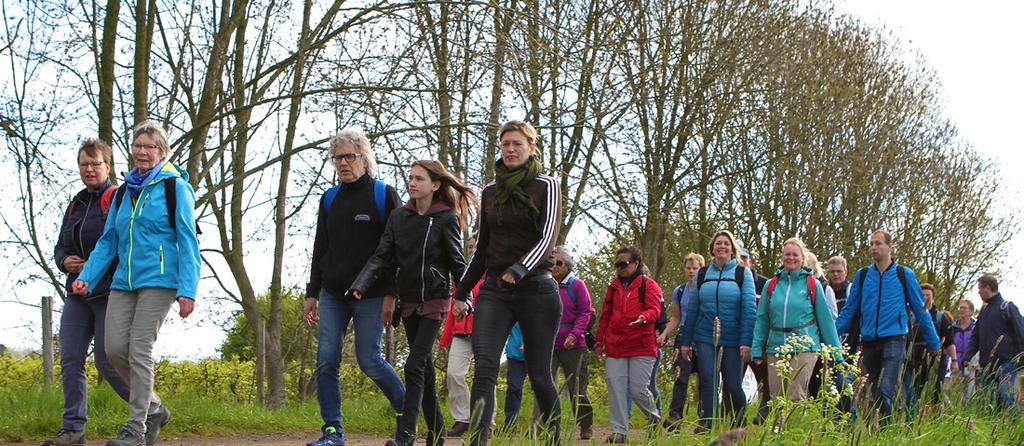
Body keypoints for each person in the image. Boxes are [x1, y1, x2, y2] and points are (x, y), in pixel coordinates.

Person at [72, 121, 200, 446]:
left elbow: (187, 239)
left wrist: (188, 289)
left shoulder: (175, 188)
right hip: (123, 281)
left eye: (149, 146)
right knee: (113, 349)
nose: (142, 151)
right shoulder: (124, 191)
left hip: (160, 280)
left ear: (162, 151)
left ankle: (136, 427)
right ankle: (154, 406)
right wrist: (86, 277)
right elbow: (108, 241)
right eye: (137, 146)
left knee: (139, 349)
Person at [349, 160, 476, 446]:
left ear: (435, 185)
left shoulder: (446, 218)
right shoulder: (398, 217)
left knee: (414, 364)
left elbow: (458, 261)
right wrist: (361, 284)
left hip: (435, 299)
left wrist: (462, 295)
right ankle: (437, 432)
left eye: (419, 178)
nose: (412, 183)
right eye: (410, 178)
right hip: (408, 300)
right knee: (425, 370)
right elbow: (382, 256)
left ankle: (405, 435)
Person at [451, 120, 562, 446]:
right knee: (484, 367)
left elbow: (548, 237)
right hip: (495, 292)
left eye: (517, 144)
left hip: (537, 290)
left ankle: (555, 436)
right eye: (505, 144)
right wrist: (461, 292)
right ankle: (479, 440)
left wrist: (520, 268)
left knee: (540, 375)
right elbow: (482, 247)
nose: (510, 150)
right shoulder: (490, 192)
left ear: (531, 148)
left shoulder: (547, 185)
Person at [303, 129, 406, 446]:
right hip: (333, 293)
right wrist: (312, 292)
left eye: (350, 156)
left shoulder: (383, 194)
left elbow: (398, 250)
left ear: (365, 158)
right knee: (326, 360)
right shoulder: (329, 199)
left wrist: (392, 293)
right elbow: (321, 247)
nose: (344, 163)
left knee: (370, 360)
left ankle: (411, 414)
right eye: (338, 157)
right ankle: (332, 432)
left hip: (372, 294)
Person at [46, 139, 131, 446]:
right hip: (77, 294)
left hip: (109, 292)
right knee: (69, 359)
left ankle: (149, 410)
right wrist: (64, 261)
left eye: (96, 164)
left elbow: (124, 243)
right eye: (84, 164)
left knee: (108, 361)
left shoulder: (119, 198)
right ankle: (73, 430)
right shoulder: (76, 204)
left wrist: (96, 267)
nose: (90, 169)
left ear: (108, 166)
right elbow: (60, 246)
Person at [834, 229, 939, 425]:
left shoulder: (903, 275)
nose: (873, 247)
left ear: (889, 247)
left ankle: (885, 430)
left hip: (894, 339)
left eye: (878, 243)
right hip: (869, 342)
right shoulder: (863, 276)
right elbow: (848, 311)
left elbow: (920, 310)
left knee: (886, 389)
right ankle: (882, 430)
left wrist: (933, 342)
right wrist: (829, 336)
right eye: (871, 243)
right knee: (874, 391)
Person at [751, 239, 842, 413]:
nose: (791, 258)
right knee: (776, 397)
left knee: (796, 394)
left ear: (802, 259)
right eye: (787, 254)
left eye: (795, 255)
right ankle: (778, 436)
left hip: (805, 346)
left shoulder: (812, 284)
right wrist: (756, 350)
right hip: (776, 346)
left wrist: (836, 353)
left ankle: (795, 433)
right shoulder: (771, 285)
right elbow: (762, 319)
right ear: (782, 257)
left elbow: (825, 320)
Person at [678, 230, 756, 432]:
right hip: (705, 336)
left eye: (726, 243)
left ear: (732, 249)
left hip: (733, 337)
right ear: (712, 248)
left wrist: (746, 341)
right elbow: (693, 309)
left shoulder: (742, 273)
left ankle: (738, 425)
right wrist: (685, 342)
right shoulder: (703, 274)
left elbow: (749, 309)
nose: (722, 246)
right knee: (708, 380)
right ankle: (707, 423)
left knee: (732, 384)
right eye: (718, 243)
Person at [595, 246, 662, 443]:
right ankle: (619, 432)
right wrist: (600, 340)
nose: (620, 268)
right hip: (615, 346)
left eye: (624, 264)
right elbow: (605, 316)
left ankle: (654, 417)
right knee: (615, 386)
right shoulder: (613, 287)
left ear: (636, 264)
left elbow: (655, 310)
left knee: (638, 389)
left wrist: (644, 317)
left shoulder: (649, 285)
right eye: (617, 265)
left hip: (642, 346)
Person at [439, 239, 493, 437]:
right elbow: (454, 310)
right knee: (454, 374)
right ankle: (463, 419)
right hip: (461, 334)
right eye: (470, 247)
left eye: (476, 247)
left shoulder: (494, 276)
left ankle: (487, 422)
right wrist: (445, 338)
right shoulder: (462, 277)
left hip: (487, 333)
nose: (472, 250)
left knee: (486, 377)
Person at [548, 246, 595, 439]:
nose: (554, 266)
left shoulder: (577, 285)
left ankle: (585, 425)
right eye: (551, 263)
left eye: (558, 263)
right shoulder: (546, 285)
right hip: (550, 343)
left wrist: (575, 335)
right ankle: (550, 426)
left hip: (574, 345)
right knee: (546, 384)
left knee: (577, 389)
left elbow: (586, 312)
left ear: (567, 265)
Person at [964, 275, 1024, 413]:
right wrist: (967, 356)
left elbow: (1021, 332)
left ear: (987, 288)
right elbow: (976, 336)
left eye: (980, 288)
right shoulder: (984, 311)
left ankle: (1016, 430)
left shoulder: (1007, 307)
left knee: (1007, 397)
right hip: (986, 366)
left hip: (1006, 363)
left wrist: (1021, 359)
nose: (978, 292)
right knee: (987, 402)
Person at [660, 253, 703, 429]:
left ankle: (705, 418)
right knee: (680, 376)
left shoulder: (706, 289)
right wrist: (664, 334)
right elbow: (676, 317)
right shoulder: (680, 291)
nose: (691, 271)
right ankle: (675, 416)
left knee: (706, 379)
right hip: (684, 335)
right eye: (688, 268)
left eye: (695, 268)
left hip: (703, 336)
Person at [902, 283, 958, 417]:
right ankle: (917, 417)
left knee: (935, 392)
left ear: (933, 298)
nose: (925, 298)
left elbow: (950, 343)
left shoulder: (941, 318)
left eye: (928, 295)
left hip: (936, 364)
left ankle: (935, 419)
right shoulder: (911, 318)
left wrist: (955, 361)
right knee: (915, 392)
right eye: (922, 295)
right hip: (915, 362)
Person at [740, 247, 771, 423]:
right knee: (734, 379)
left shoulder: (764, 283)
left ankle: (763, 413)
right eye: (739, 258)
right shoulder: (732, 282)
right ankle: (735, 415)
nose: (742, 262)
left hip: (760, 339)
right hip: (737, 338)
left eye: (745, 258)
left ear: (750, 261)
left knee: (764, 379)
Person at [501, 323, 527, 431]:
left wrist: (530, 341)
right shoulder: (511, 308)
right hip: (515, 354)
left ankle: (543, 425)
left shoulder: (539, 307)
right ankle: (510, 424)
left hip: (537, 353)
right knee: (514, 387)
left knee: (541, 388)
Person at [951, 299, 977, 396]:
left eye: (964, 308)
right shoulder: (953, 327)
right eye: (960, 308)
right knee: (956, 394)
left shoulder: (976, 327)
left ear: (971, 312)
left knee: (971, 394)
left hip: (973, 365)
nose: (961, 310)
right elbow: (948, 347)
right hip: (956, 365)